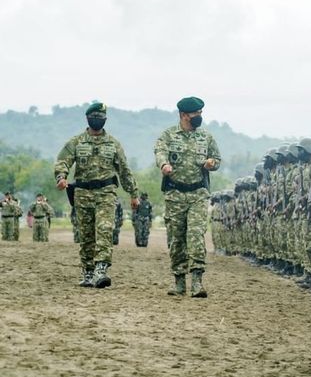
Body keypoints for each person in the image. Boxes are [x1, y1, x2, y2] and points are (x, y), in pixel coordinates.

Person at [54, 102, 139, 288]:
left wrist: (133, 193)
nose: (97, 120)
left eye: (101, 117)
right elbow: (62, 161)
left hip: (106, 193)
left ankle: (101, 269)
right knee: (86, 234)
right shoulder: (76, 142)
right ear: (87, 118)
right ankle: (88, 271)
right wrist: (61, 177)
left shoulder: (113, 144)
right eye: (94, 117)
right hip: (82, 193)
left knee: (105, 229)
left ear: (105, 120)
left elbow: (124, 171)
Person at [154, 96, 221, 298]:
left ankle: (198, 282)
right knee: (176, 239)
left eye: (201, 113)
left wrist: (211, 163)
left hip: (198, 194)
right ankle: (179, 281)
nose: (199, 117)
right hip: (175, 194)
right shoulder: (168, 135)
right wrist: (164, 165)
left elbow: (217, 159)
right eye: (196, 114)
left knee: (196, 235)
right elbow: (159, 151)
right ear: (184, 115)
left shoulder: (206, 137)